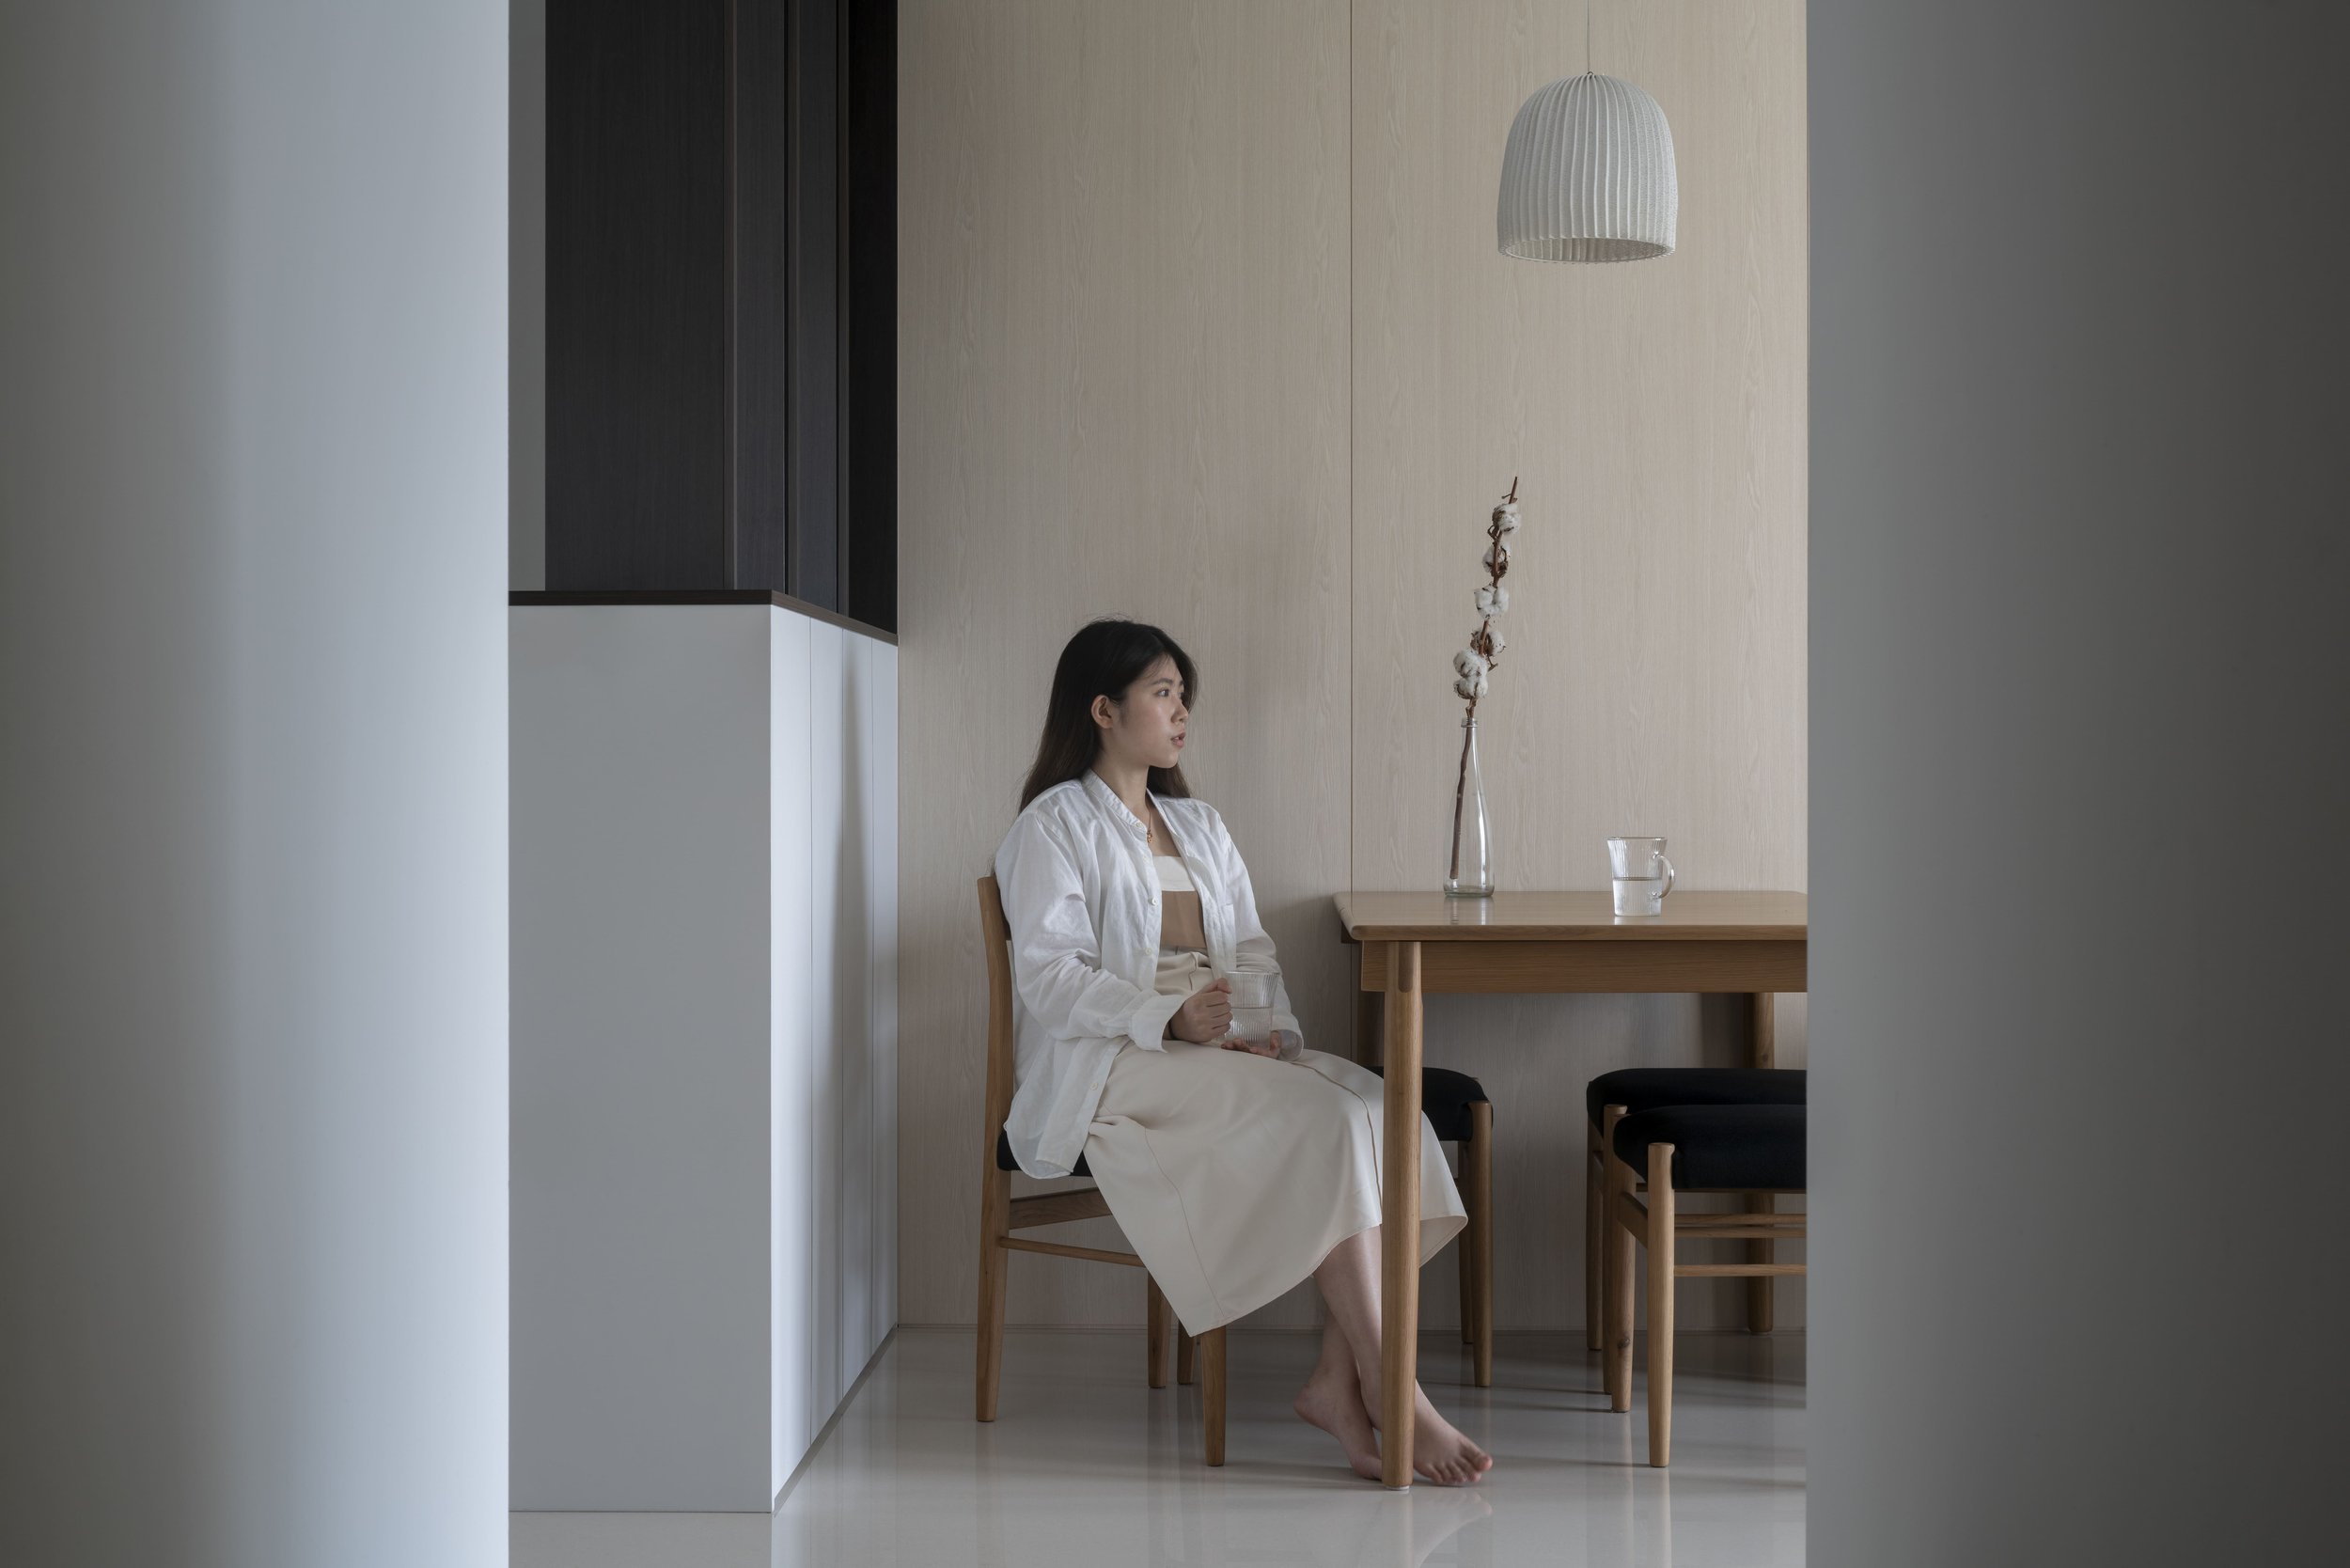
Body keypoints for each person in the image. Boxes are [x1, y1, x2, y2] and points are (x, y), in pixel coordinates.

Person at [994, 617, 1494, 1486]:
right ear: (1103, 709)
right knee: (1333, 1121)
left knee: (1386, 1111)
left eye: (1184, 694)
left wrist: (1268, 1032)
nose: (1181, 711)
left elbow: (1251, 949)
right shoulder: (1049, 827)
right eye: (1162, 693)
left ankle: (1338, 1379)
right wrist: (1166, 1016)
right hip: (1114, 1062)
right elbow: (1050, 977)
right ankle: (1388, 1385)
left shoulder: (1200, 823)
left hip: (1216, 1050)